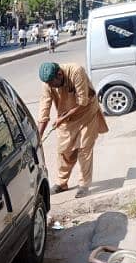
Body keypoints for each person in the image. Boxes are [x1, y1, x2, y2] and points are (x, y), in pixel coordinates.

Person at [37, 61, 109, 198]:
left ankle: (84, 184)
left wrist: (63, 118)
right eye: (49, 85)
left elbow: (83, 102)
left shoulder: (76, 71)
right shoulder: (47, 83)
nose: (51, 87)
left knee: (84, 148)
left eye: (53, 83)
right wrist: (38, 136)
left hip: (86, 114)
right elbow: (44, 109)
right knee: (64, 152)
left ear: (60, 74)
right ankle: (61, 183)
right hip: (66, 119)